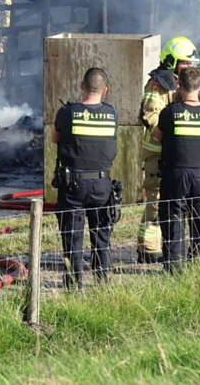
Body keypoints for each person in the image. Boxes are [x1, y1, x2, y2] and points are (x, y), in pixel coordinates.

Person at [51, 67, 119, 289]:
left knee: (72, 236)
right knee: (101, 235)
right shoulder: (112, 113)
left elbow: (54, 138)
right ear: (105, 90)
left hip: (73, 185)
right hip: (102, 184)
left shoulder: (66, 112)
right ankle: (102, 282)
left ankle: (74, 284)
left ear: (81, 86)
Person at [136, 36, 199, 262]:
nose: (188, 68)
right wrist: (173, 132)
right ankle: (149, 249)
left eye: (190, 64)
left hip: (183, 152)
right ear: (172, 61)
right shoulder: (158, 85)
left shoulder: (186, 83)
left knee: (193, 199)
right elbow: (150, 117)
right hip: (158, 154)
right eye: (184, 63)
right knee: (156, 200)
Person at [153, 66, 200, 272]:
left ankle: (174, 266)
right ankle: (199, 262)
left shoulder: (170, 112)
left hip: (176, 174)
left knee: (173, 219)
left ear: (178, 85)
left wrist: (174, 104)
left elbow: (157, 135)